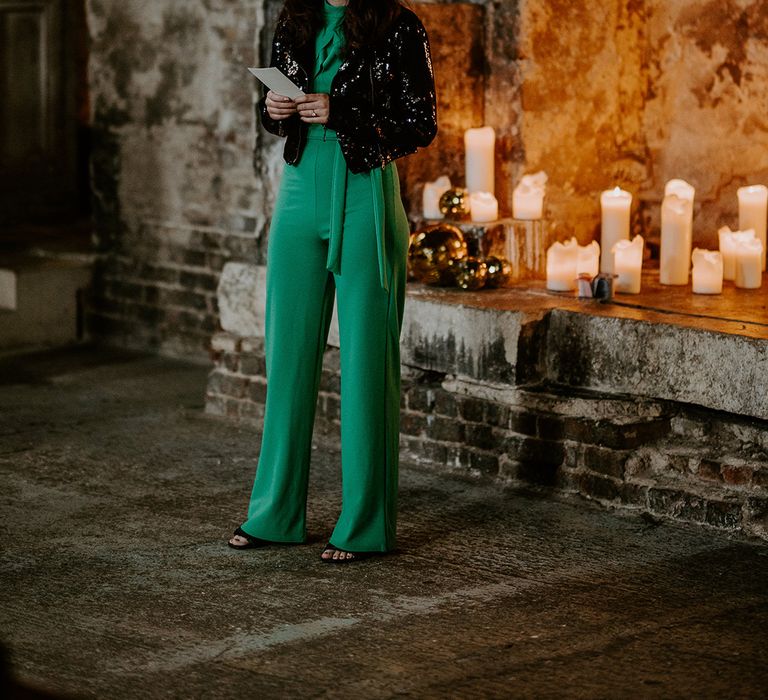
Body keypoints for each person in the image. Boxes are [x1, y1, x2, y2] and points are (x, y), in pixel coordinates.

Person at [228, 0, 437, 563]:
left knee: (367, 364)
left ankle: (365, 525)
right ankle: (274, 513)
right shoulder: (294, 19)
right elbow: (275, 118)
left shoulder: (399, 26)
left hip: (365, 193)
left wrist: (341, 111)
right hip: (298, 192)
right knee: (288, 356)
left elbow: (420, 123)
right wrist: (275, 109)